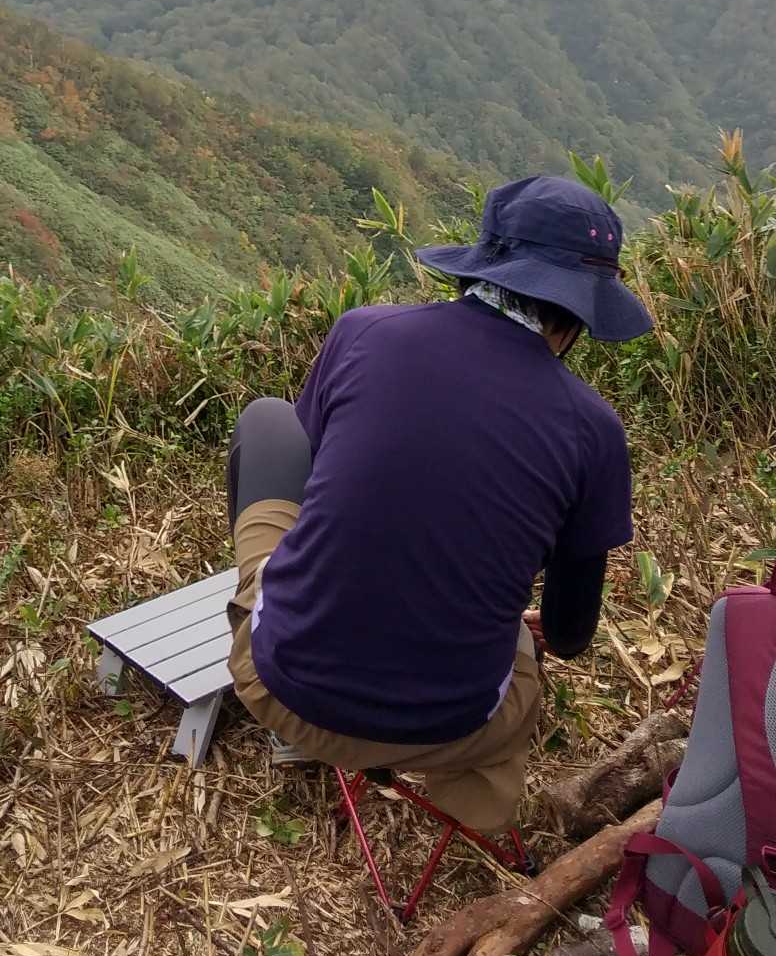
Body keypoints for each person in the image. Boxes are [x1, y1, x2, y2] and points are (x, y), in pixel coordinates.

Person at [226, 174, 651, 833]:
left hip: (280, 688)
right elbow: (569, 636)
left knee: (266, 420)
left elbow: (318, 474)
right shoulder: (593, 431)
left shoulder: (363, 332)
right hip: (451, 729)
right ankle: (474, 800)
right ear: (578, 314)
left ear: (482, 267)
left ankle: (298, 660)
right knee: (518, 656)